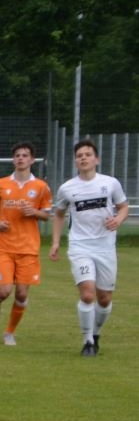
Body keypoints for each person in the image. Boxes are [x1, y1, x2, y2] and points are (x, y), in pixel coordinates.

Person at [50, 139, 129, 356]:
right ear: (75, 161)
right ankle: (87, 342)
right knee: (87, 295)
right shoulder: (67, 188)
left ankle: (96, 334)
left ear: (96, 159)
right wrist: (56, 242)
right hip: (80, 247)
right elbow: (58, 214)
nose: (83, 158)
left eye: (87, 154)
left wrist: (118, 219)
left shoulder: (110, 183)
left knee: (104, 299)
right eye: (79, 156)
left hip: (105, 248)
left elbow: (123, 207)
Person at [0, 142, 53, 346]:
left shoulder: (41, 187)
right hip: (4, 246)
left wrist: (34, 212)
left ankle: (9, 333)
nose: (20, 158)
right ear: (13, 159)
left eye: (25, 155)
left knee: (22, 294)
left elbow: (46, 215)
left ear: (32, 160)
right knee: (5, 291)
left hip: (28, 248)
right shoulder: (0, 184)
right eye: (17, 155)